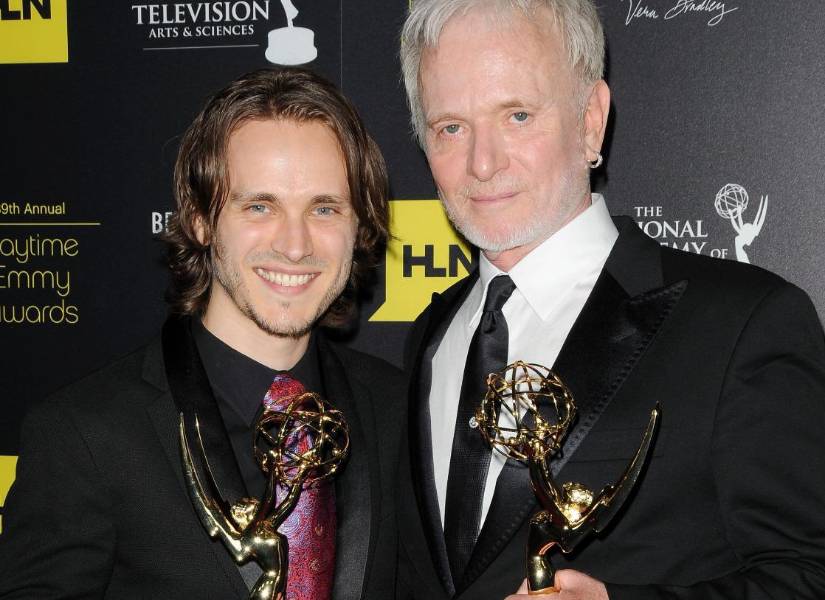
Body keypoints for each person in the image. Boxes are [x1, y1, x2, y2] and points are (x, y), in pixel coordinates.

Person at [396, 1, 825, 599]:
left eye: (517, 115)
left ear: (591, 121)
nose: (483, 163)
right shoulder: (429, 335)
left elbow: (809, 576)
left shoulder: (741, 324)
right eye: (451, 127)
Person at [0, 67, 403, 600]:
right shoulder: (85, 435)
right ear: (200, 221)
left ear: (360, 225)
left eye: (324, 208)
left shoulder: (396, 411)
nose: (296, 245)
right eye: (259, 206)